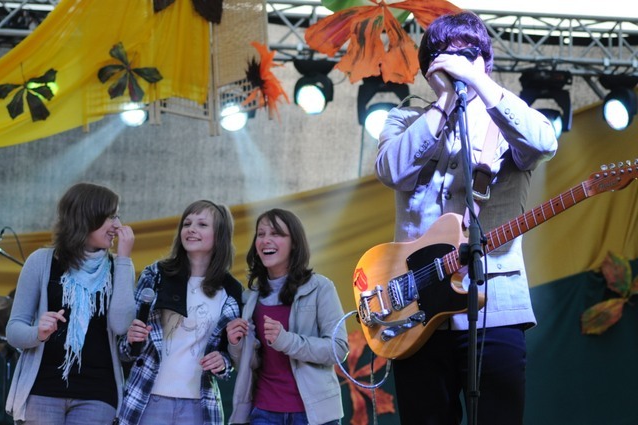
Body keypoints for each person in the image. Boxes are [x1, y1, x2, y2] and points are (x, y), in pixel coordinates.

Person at [374, 10, 558, 425]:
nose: (455, 62)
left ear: (485, 62)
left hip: (495, 304)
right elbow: (391, 171)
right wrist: (444, 102)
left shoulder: (507, 120)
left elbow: (544, 143)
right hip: (416, 307)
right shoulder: (404, 119)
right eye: (443, 55)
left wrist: (479, 83)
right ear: (429, 68)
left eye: (467, 54)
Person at [5, 182, 136, 425]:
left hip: (98, 392)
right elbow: (13, 331)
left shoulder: (120, 266)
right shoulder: (41, 261)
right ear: (86, 217)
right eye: (111, 216)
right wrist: (38, 333)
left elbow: (121, 325)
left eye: (117, 216)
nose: (117, 225)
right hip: (43, 388)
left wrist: (124, 259)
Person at [117, 200, 243, 425]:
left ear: (219, 235)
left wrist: (222, 362)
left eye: (202, 224)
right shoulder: (156, 275)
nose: (191, 229)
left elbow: (230, 357)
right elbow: (125, 348)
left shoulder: (231, 291)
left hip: (200, 406)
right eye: (187, 223)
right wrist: (131, 338)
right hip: (147, 399)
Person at [226, 208, 348, 425]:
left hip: (314, 415)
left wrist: (288, 341)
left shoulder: (321, 287)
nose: (266, 240)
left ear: (294, 243)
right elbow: (252, 363)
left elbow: (338, 349)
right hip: (264, 411)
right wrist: (236, 345)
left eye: (276, 233)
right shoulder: (250, 297)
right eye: (261, 234)